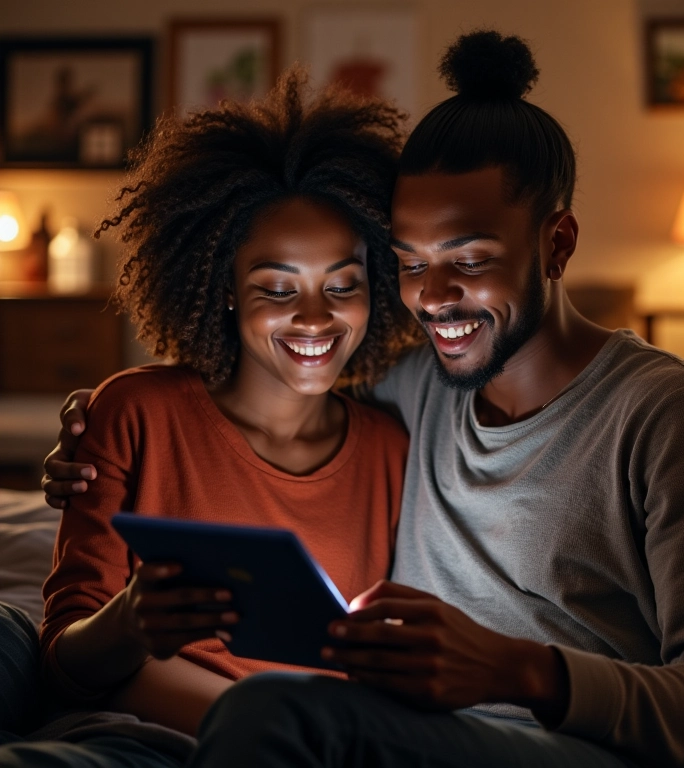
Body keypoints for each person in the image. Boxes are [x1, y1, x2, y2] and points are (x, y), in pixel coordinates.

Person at [43, 30, 684, 768]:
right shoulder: (417, 384)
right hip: (411, 733)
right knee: (12, 636)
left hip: (568, 744)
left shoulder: (679, 419)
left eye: (470, 259)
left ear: (558, 244)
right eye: (411, 263)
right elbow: (280, 364)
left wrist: (520, 670)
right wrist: (96, 422)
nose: (434, 298)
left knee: (276, 713)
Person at [1, 65, 423, 767]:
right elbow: (66, 662)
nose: (315, 317)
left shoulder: (392, 451)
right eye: (277, 287)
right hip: (127, 733)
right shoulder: (136, 412)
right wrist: (130, 625)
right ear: (224, 289)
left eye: (341, 285)